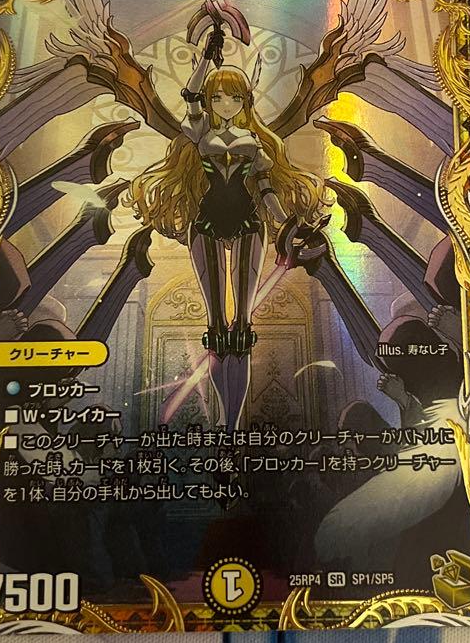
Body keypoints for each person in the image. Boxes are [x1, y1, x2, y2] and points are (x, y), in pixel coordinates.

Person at [129, 26, 326, 430]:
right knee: (217, 326)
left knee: (242, 329)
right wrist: (206, 56)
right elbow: (190, 96)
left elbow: (266, 190)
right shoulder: (200, 132)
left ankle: (232, 425)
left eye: (234, 97)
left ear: (245, 100)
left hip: (250, 223)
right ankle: (224, 421)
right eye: (217, 96)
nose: (225, 103)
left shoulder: (255, 141)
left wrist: (289, 222)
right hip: (205, 224)